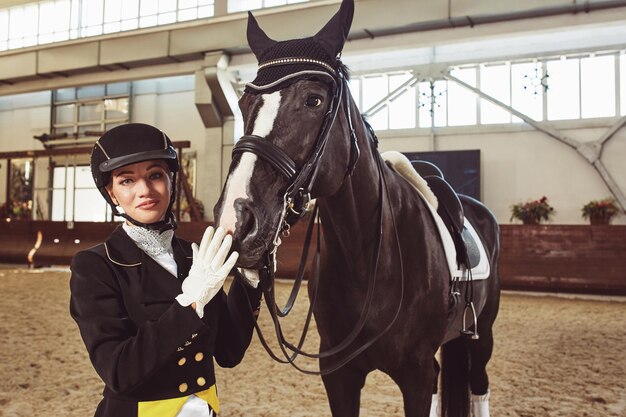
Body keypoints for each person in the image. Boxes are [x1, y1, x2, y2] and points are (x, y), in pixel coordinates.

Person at [70, 123, 261, 417]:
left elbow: (229, 351)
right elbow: (119, 372)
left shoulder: (193, 255)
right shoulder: (95, 266)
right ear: (111, 194)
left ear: (171, 181)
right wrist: (191, 302)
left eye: (155, 175)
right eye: (127, 181)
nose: (145, 190)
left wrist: (250, 278)